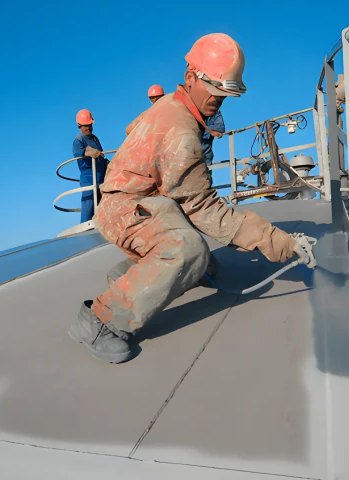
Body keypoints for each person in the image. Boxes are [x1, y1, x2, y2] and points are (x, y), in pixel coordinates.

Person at [68, 33, 315, 363]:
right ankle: (102, 321)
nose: (219, 99)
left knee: (198, 258)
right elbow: (205, 208)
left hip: (134, 201)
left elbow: (132, 129)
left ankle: (132, 277)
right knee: (188, 249)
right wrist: (279, 242)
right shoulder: (182, 130)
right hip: (125, 210)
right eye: (214, 89)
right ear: (190, 77)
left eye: (224, 93)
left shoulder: (170, 104)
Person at [72, 109, 106, 223]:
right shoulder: (79, 140)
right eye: (85, 126)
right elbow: (77, 152)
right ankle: (85, 232)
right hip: (89, 179)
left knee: (102, 211)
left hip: (101, 179)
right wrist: (88, 151)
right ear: (79, 126)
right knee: (88, 209)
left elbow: (100, 154)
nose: (88, 128)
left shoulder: (95, 139)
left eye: (90, 125)